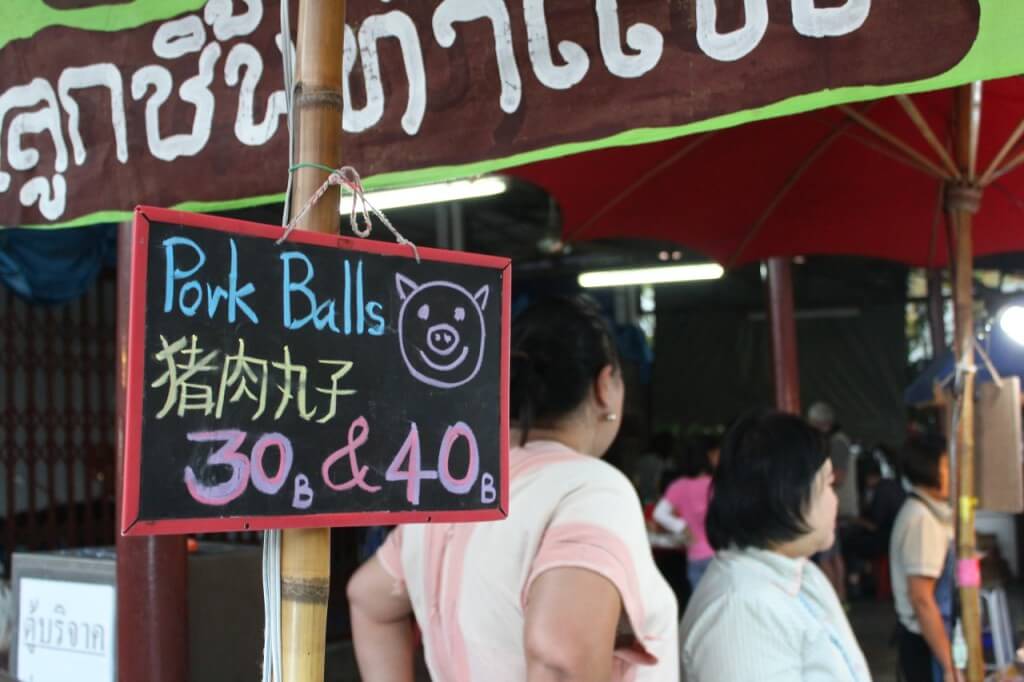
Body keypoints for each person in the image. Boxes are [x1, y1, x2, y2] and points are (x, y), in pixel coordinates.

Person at [347, 296, 679, 681]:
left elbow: (368, 598)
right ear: (605, 386)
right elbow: (560, 656)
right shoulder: (591, 489)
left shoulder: (457, 490)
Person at [680, 410, 871, 682]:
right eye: (827, 484)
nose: (835, 499)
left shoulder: (801, 572)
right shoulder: (742, 611)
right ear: (788, 493)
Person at [889, 434, 956, 682]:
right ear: (929, 469)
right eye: (946, 466)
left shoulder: (931, 511)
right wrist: (949, 664)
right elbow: (922, 600)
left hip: (936, 636)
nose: (952, 472)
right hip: (927, 643)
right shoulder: (921, 520)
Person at [653, 433, 720, 590]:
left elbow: (659, 513)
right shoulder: (716, 485)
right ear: (708, 456)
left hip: (694, 557)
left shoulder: (679, 486)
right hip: (717, 557)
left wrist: (681, 526)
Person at [808, 401, 855, 603]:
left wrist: (813, 480)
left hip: (834, 505)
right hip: (836, 505)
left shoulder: (837, 443)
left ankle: (835, 601)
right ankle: (841, 601)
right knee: (834, 556)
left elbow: (839, 475)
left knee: (827, 557)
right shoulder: (839, 441)